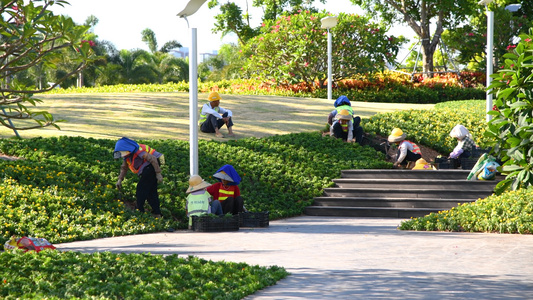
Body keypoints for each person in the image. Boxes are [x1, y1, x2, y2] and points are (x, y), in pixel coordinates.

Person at [113, 137, 164, 217]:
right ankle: (157, 213)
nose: (122, 154)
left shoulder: (138, 150)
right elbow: (124, 168)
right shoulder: (127, 156)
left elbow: (153, 159)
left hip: (151, 166)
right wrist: (120, 179)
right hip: (147, 169)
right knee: (151, 192)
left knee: (141, 189)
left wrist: (158, 173)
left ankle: (139, 210)